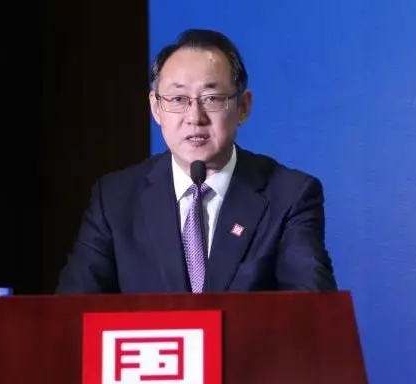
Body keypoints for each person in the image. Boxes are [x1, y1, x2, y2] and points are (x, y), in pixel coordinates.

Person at [55, 28, 337, 294]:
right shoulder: (115, 199)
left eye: (212, 98)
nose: (194, 117)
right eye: (178, 99)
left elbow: (312, 309)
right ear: (156, 108)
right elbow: (73, 310)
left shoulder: (289, 196)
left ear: (243, 107)